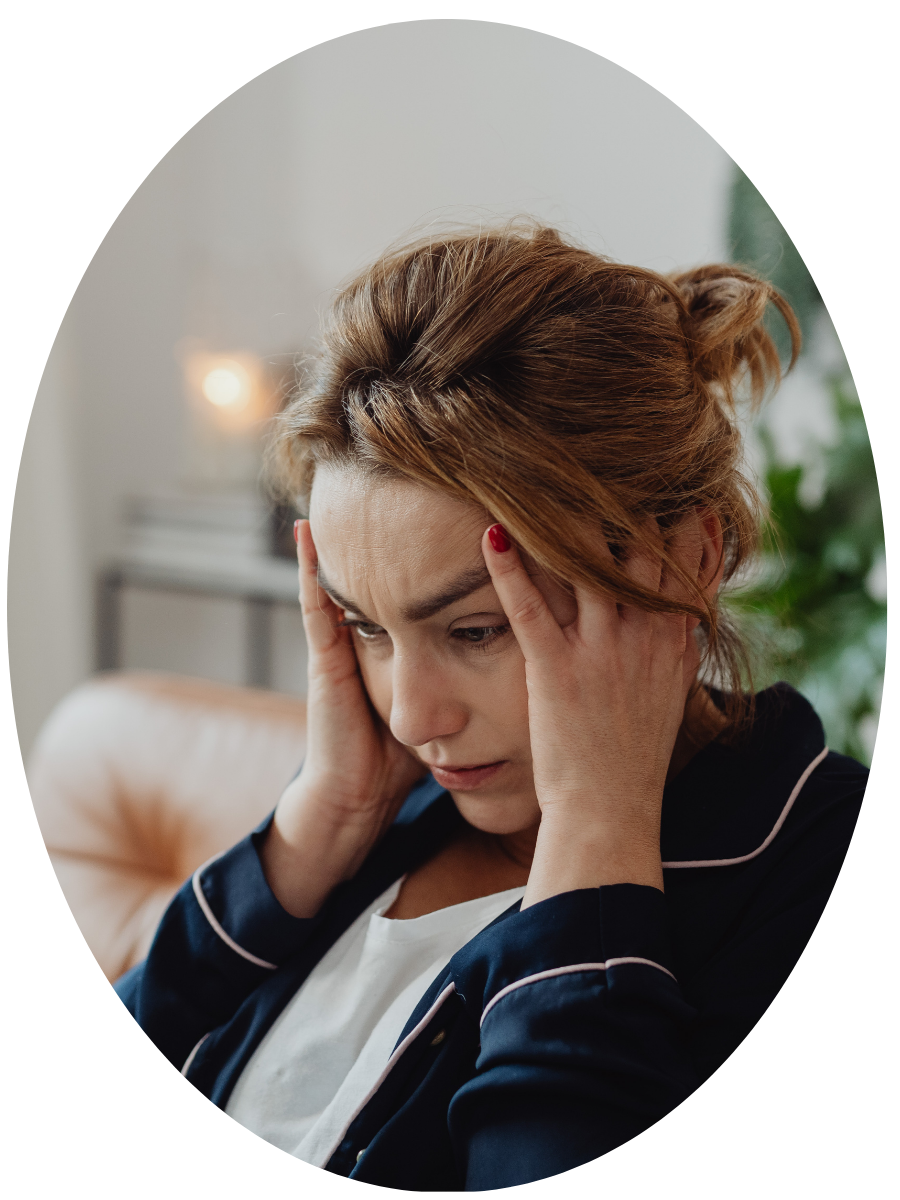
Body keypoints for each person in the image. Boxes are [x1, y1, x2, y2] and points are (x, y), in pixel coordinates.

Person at [116, 223, 867, 1191]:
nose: (411, 716)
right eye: (368, 627)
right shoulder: (395, 815)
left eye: (474, 631)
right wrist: (319, 825)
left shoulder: (811, 869)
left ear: (687, 559)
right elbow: (106, 1099)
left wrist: (599, 828)